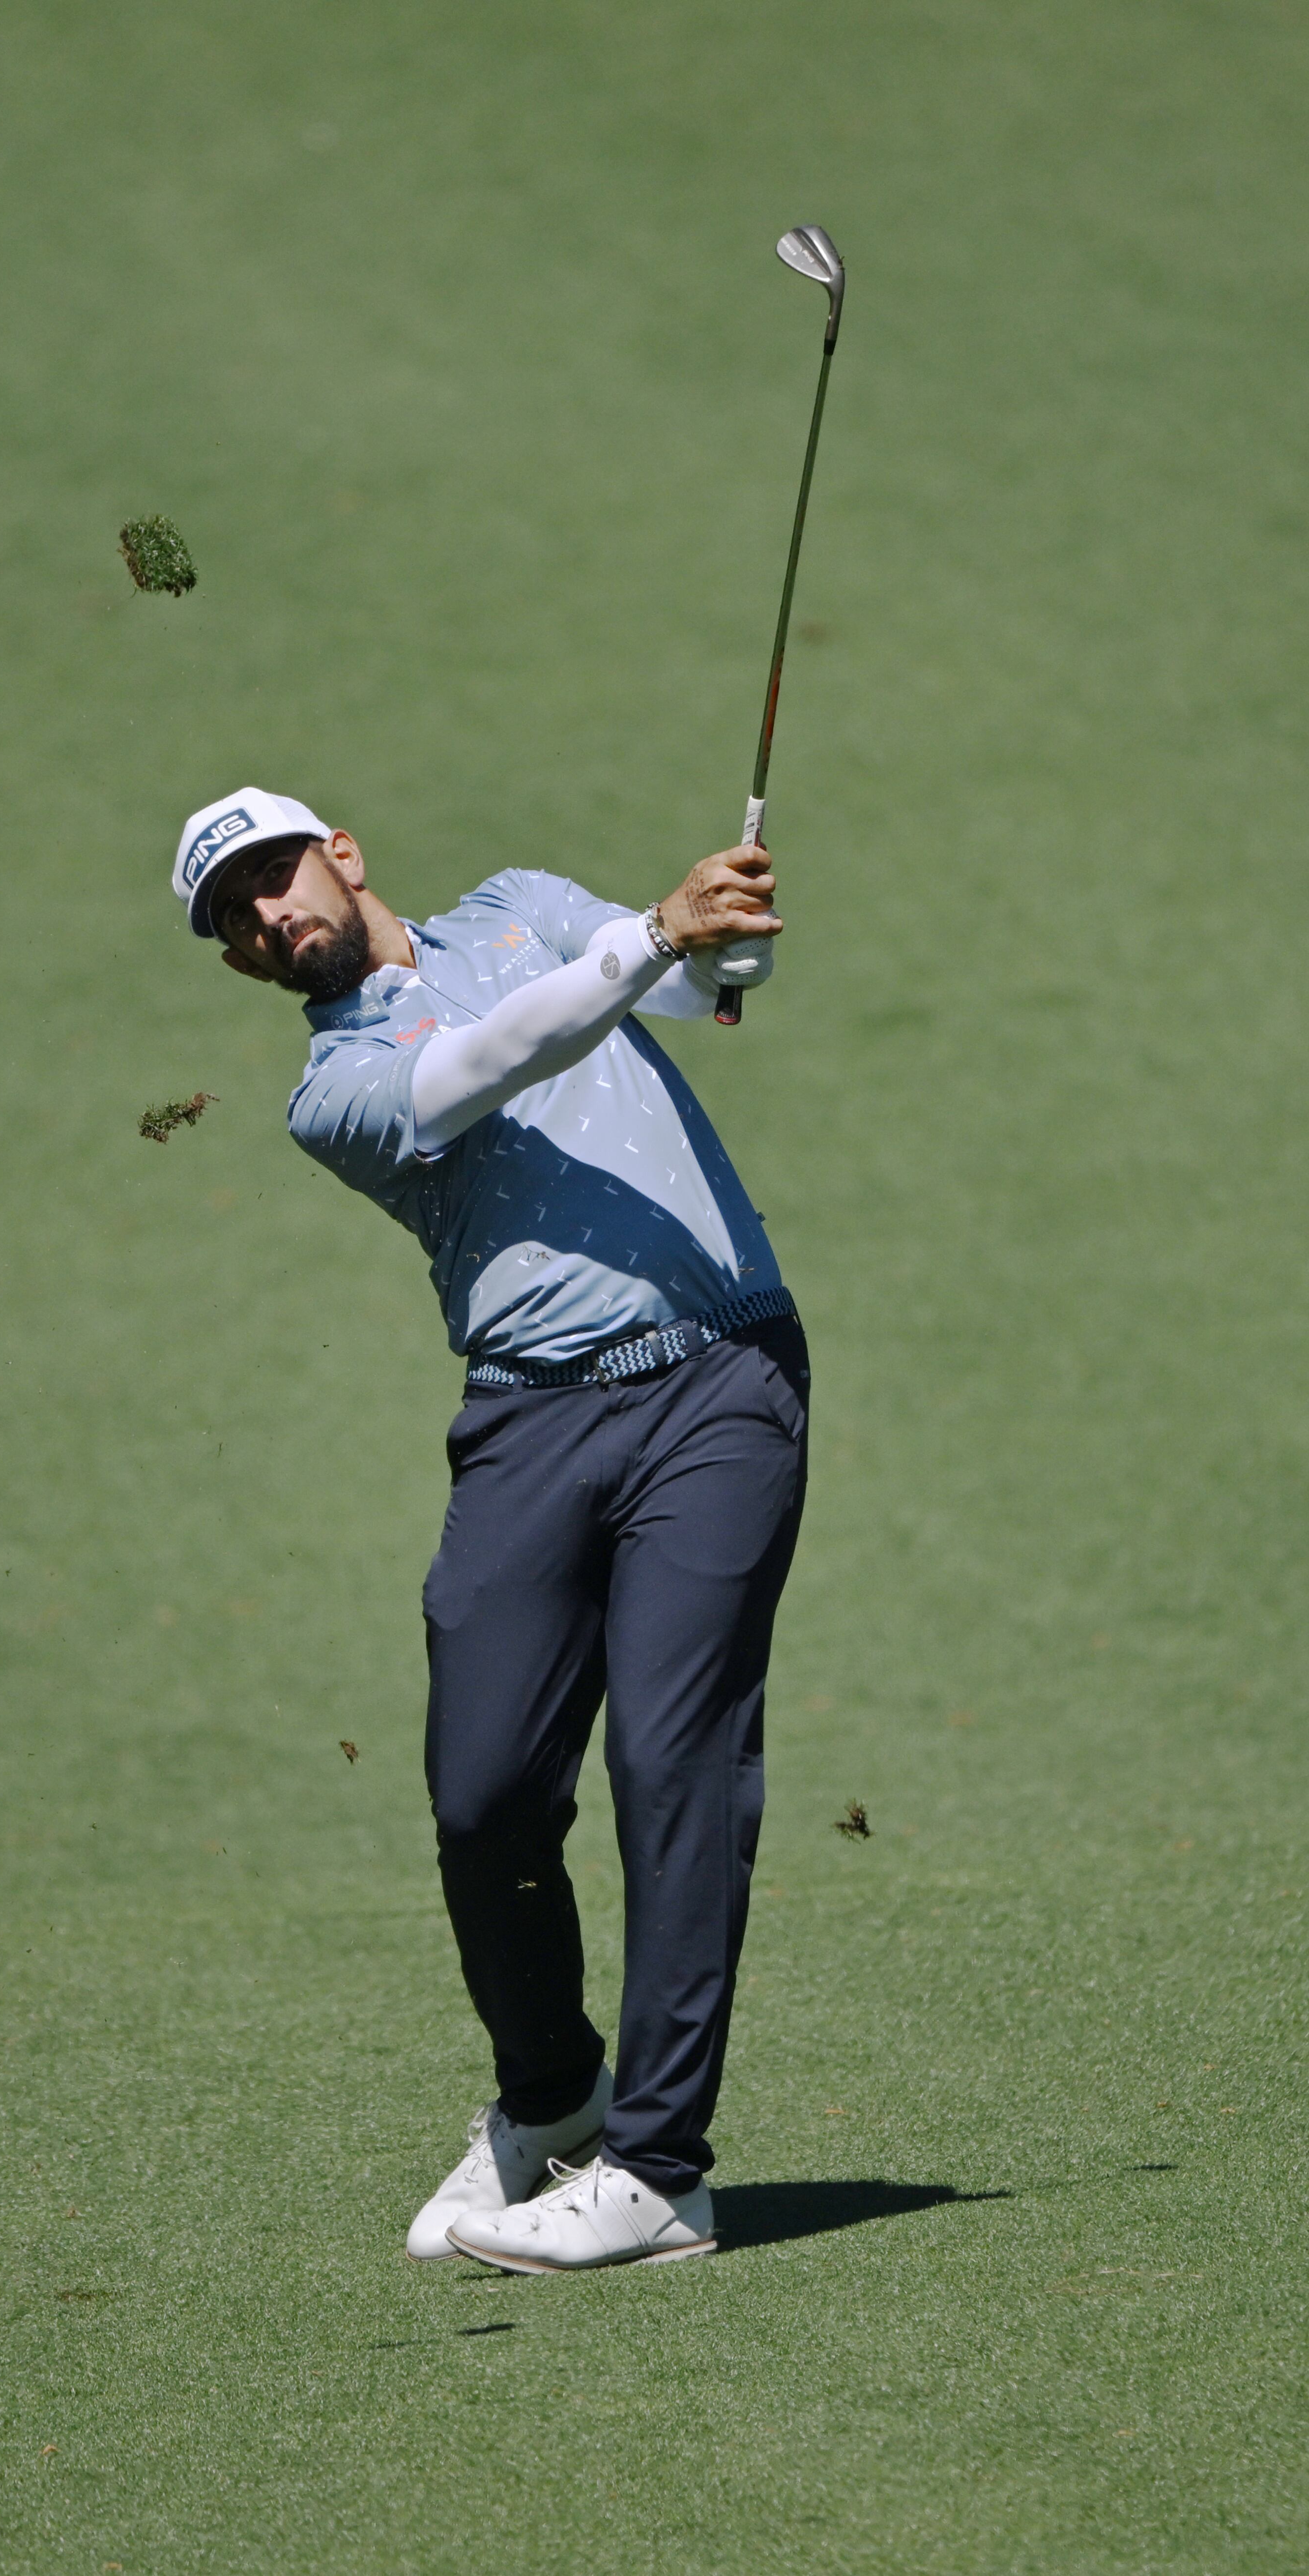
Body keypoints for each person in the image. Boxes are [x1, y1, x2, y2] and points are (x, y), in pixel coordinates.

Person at [170, 787, 810, 2274]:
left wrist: (726, 952)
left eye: (276, 877)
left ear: (343, 856)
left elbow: (690, 976)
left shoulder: (524, 900)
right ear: (240, 966)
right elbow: (490, 1057)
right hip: (531, 1422)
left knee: (673, 1757)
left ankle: (656, 2174)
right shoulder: (335, 1092)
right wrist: (664, 934)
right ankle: (553, 2095)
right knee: (484, 1796)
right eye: (238, 918)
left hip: (721, 1377)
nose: (270, 915)